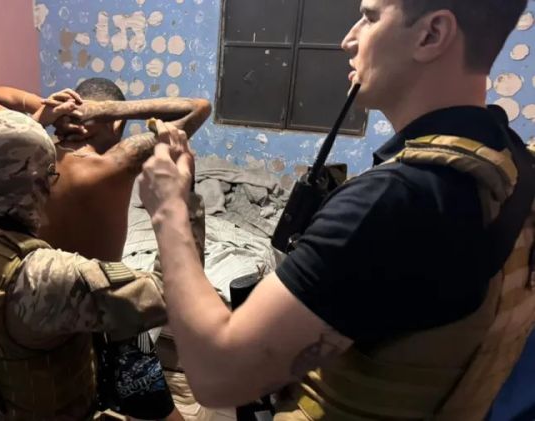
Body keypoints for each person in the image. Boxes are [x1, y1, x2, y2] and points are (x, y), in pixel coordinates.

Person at [137, 0, 535, 420]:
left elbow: (218, 377)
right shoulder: (514, 166)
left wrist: (170, 209)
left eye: (370, 17)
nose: (348, 39)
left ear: (432, 34)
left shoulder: (395, 199)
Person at [0, 109, 206, 420]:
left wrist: (31, 124)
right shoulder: (39, 280)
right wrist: (181, 199)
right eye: (51, 175)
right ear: (41, 184)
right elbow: (175, 298)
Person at [0, 79, 211, 262]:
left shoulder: (31, 148)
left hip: (38, 282)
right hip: (97, 293)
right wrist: (109, 110)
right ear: (116, 124)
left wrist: (49, 110)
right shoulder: (118, 162)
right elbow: (199, 108)